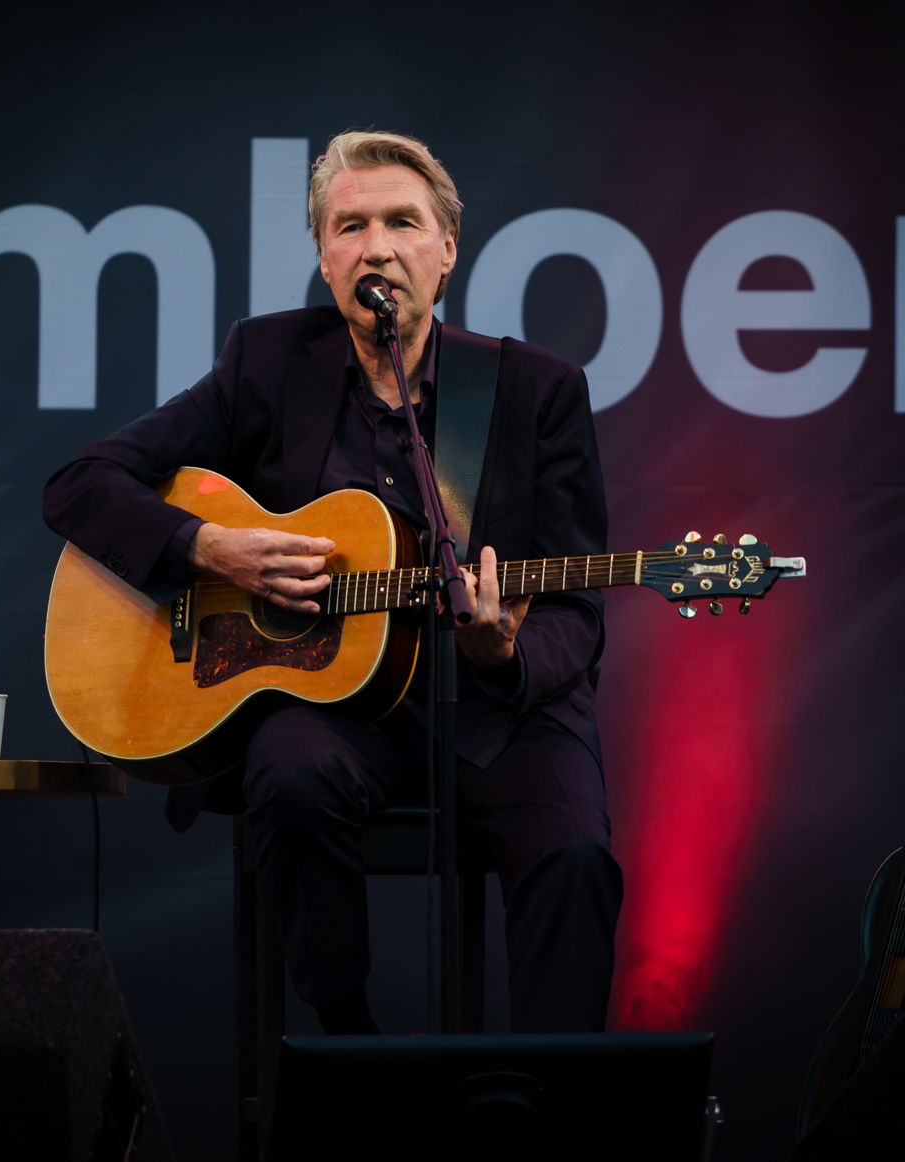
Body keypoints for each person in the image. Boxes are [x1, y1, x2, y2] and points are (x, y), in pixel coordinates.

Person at [44, 129, 622, 1033]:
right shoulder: (264, 363)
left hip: (495, 713)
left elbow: (576, 613)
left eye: (403, 221)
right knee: (291, 775)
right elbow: (80, 485)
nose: (378, 245)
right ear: (323, 258)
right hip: (338, 709)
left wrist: (502, 650)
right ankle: (348, 1046)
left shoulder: (535, 391)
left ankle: (554, 1094)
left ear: (446, 250)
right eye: (350, 226)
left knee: (575, 859)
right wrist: (206, 548)